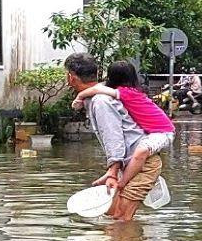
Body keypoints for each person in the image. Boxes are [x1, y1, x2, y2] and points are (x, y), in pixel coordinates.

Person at [65, 52, 161, 220]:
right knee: (113, 215)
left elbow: (113, 137)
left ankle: (129, 238)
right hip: (132, 162)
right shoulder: (100, 96)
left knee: (121, 218)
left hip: (142, 164)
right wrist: (114, 172)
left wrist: (112, 172)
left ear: (71, 77)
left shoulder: (101, 101)